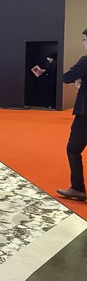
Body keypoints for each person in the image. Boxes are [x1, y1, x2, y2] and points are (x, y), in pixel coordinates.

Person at [57, 30, 87, 202]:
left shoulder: (85, 61)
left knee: (73, 149)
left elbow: (67, 77)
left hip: (85, 114)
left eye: (84, 39)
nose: (83, 43)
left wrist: (79, 81)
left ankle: (77, 188)